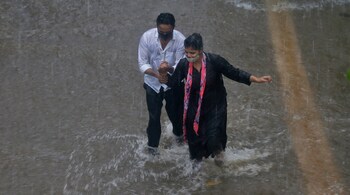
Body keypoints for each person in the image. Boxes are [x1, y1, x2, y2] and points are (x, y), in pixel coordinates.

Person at [159, 33, 272, 165]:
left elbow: (234, 72)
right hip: (194, 108)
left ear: (200, 50)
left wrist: (256, 79)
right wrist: (163, 74)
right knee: (195, 145)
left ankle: (220, 165)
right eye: (187, 52)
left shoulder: (215, 61)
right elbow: (173, 83)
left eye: (192, 52)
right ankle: (198, 175)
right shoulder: (184, 65)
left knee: (214, 139)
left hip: (215, 106)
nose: (189, 55)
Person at [138, 13, 186, 155]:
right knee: (154, 117)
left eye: (168, 33)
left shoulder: (181, 40)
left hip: (173, 84)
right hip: (152, 83)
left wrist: (168, 69)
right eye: (161, 33)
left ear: (173, 28)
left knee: (176, 114)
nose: (164, 36)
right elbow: (142, 63)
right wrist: (157, 74)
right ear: (157, 27)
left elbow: (181, 65)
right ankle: (152, 148)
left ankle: (179, 138)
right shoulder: (147, 37)